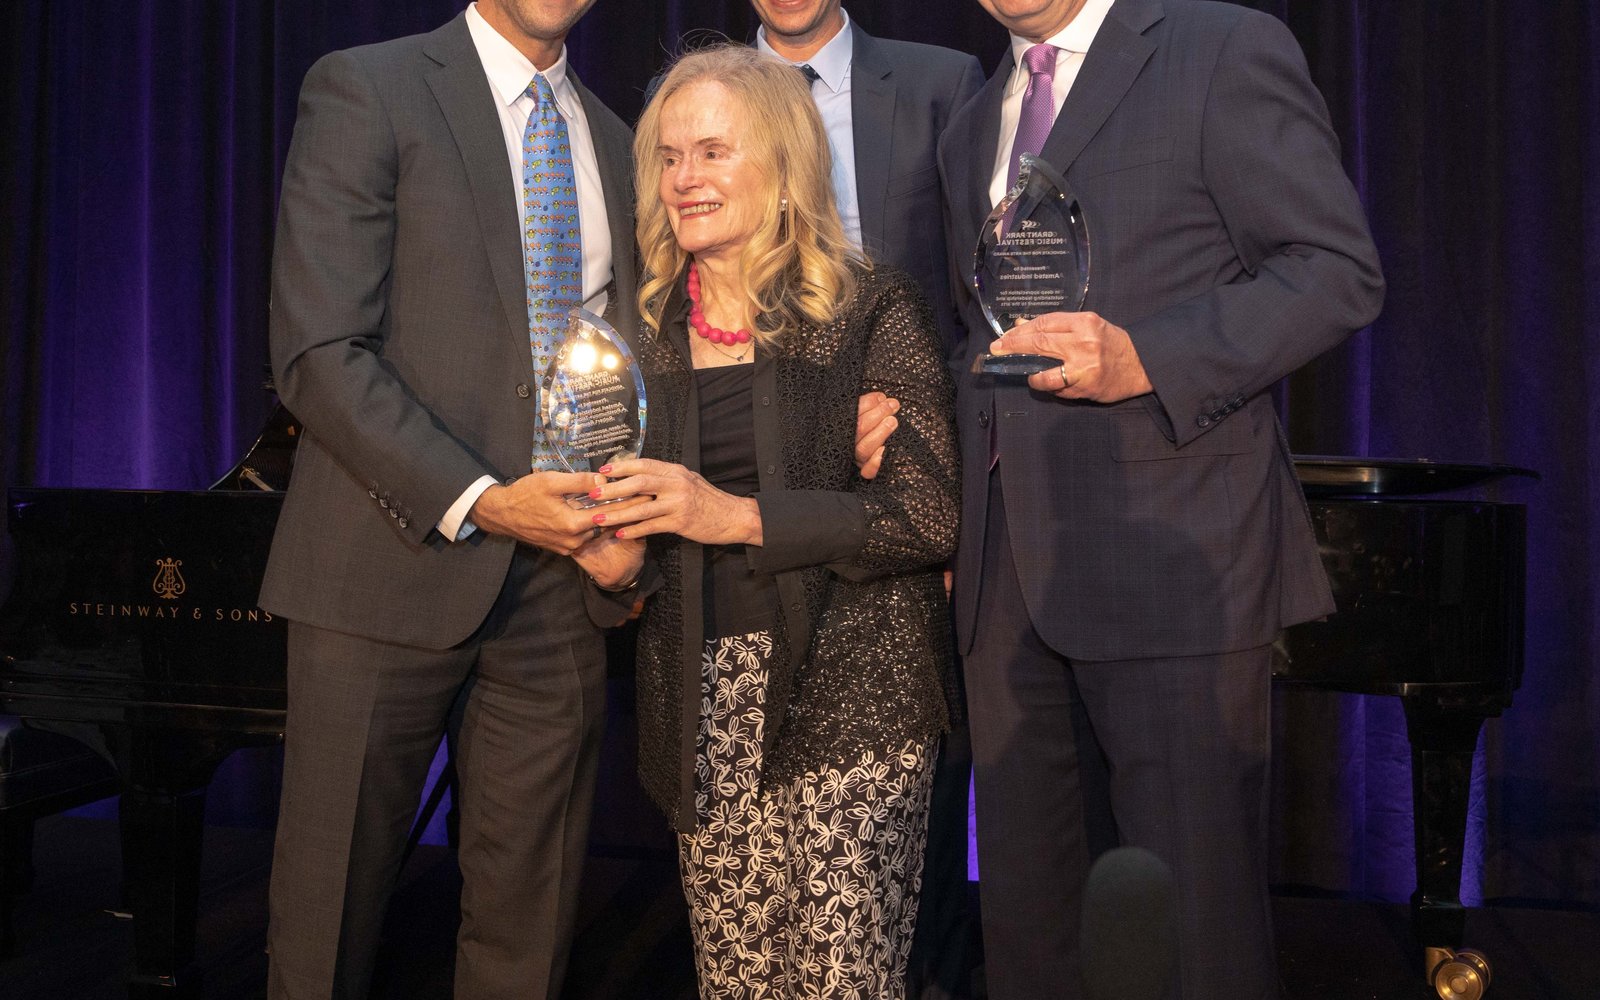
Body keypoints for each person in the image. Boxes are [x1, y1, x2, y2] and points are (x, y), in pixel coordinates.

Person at [937, 0, 1385, 998]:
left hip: (1172, 563)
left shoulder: (1218, 48)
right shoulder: (976, 116)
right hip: (1006, 580)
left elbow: (1335, 273)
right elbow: (980, 332)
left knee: (1192, 938)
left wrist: (1149, 356)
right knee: (1029, 938)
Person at [258, 1, 648, 996]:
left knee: (528, 936)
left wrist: (620, 517)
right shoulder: (368, 87)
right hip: (381, 571)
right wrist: (480, 497)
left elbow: (624, 367)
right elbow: (319, 353)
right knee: (324, 930)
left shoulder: (617, 137)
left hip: (561, 589)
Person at [584, 45, 961, 999]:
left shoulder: (870, 310)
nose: (685, 178)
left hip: (856, 697)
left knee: (841, 984)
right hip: (701, 707)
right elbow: (631, 565)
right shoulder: (641, 339)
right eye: (668, 157)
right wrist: (614, 567)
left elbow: (925, 518)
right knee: (739, 984)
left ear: (784, 167)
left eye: (712, 151)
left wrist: (732, 514)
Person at [747, 4, 983, 990]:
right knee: (755, 846)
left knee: (909, 821)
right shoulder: (693, 105)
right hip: (746, 511)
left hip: (906, 510)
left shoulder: (944, 84)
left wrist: (955, 521)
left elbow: (980, 309)